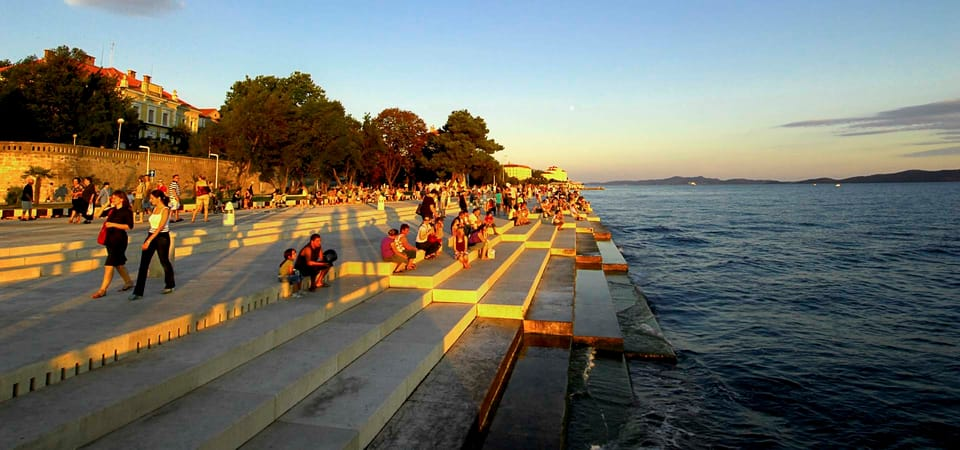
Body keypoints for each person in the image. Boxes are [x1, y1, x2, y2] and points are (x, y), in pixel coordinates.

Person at [128, 190, 175, 301]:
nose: (151, 200)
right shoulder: (154, 209)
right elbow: (153, 226)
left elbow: (160, 227)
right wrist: (149, 239)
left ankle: (170, 284)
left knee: (164, 261)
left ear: (158, 198)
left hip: (162, 237)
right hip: (151, 234)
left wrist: (149, 241)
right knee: (144, 263)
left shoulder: (165, 210)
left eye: (152, 198)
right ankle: (138, 292)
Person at [91, 190, 135, 299]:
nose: (113, 199)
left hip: (119, 241)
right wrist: (105, 204)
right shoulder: (112, 210)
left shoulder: (127, 211)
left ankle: (103, 290)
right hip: (109, 240)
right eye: (112, 197)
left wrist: (113, 224)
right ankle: (128, 282)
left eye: (115, 197)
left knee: (109, 265)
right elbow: (97, 215)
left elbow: (129, 226)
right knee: (118, 264)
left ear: (122, 199)